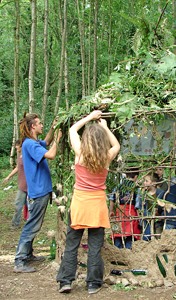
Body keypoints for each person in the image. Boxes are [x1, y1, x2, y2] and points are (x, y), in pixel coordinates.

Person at [56, 111, 120, 295]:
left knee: (72, 244)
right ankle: (93, 283)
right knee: (94, 246)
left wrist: (90, 117)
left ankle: (65, 281)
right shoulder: (107, 156)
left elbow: (72, 129)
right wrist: (105, 128)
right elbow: (116, 144)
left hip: (79, 205)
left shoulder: (80, 154)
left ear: (86, 140)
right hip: (97, 206)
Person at [13, 114, 62, 273]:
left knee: (34, 224)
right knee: (32, 225)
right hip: (38, 191)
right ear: (33, 126)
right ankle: (19, 260)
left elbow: (46, 142)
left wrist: (53, 129)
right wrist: (58, 139)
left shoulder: (32, 143)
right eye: (40, 123)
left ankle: (28, 254)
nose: (42, 125)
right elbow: (51, 154)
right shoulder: (29, 144)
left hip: (41, 191)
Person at [109, 171, 141, 248]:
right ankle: (128, 253)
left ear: (126, 175)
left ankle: (117, 252)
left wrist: (111, 211)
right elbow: (137, 204)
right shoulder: (136, 188)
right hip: (131, 213)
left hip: (119, 212)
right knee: (130, 235)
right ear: (136, 176)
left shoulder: (118, 186)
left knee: (119, 234)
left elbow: (111, 198)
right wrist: (139, 216)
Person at [4, 139, 29, 230]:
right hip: (22, 184)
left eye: (17, 145)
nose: (15, 147)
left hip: (28, 184)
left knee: (22, 204)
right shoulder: (20, 156)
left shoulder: (27, 155)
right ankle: (16, 223)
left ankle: (16, 223)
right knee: (20, 204)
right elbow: (17, 167)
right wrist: (8, 176)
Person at [137, 172, 162, 240]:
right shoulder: (143, 195)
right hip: (147, 222)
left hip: (158, 222)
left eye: (146, 181)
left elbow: (164, 207)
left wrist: (160, 215)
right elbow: (141, 209)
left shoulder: (161, 194)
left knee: (159, 239)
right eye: (144, 181)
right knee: (147, 239)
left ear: (154, 183)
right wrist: (150, 215)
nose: (144, 183)